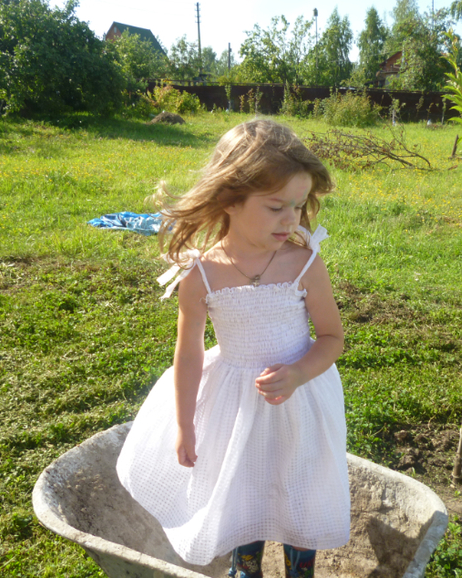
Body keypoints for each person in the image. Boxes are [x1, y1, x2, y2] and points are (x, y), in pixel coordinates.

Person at [116, 119, 350, 578]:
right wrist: (185, 425)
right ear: (230, 199)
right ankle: (246, 569)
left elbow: (332, 338)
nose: (291, 219)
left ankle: (300, 570)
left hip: (301, 401)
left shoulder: (304, 263)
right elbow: (188, 354)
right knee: (244, 486)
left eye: (298, 205)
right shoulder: (201, 274)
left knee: (300, 486)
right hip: (235, 406)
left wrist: (299, 373)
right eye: (276, 206)